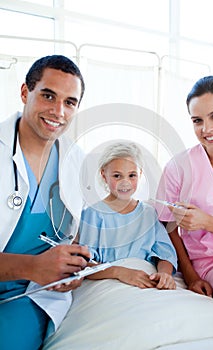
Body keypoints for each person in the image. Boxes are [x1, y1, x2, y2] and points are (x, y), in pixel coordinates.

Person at [0, 55, 91, 350]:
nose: (58, 111)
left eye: (70, 102)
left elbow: (73, 233)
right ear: (25, 93)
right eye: (48, 96)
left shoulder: (75, 160)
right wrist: (33, 265)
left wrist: (69, 269)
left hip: (28, 294)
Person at [156, 75, 213, 304]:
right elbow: (166, 226)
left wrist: (205, 222)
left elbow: (204, 222)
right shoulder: (179, 167)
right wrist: (190, 276)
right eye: (197, 120)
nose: (206, 129)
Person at [79, 142, 177, 289]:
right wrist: (119, 272)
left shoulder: (148, 213)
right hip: (110, 281)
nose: (125, 182)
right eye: (117, 176)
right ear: (104, 175)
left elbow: (165, 253)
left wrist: (165, 274)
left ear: (140, 174)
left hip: (146, 278)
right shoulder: (93, 214)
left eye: (132, 175)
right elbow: (84, 264)